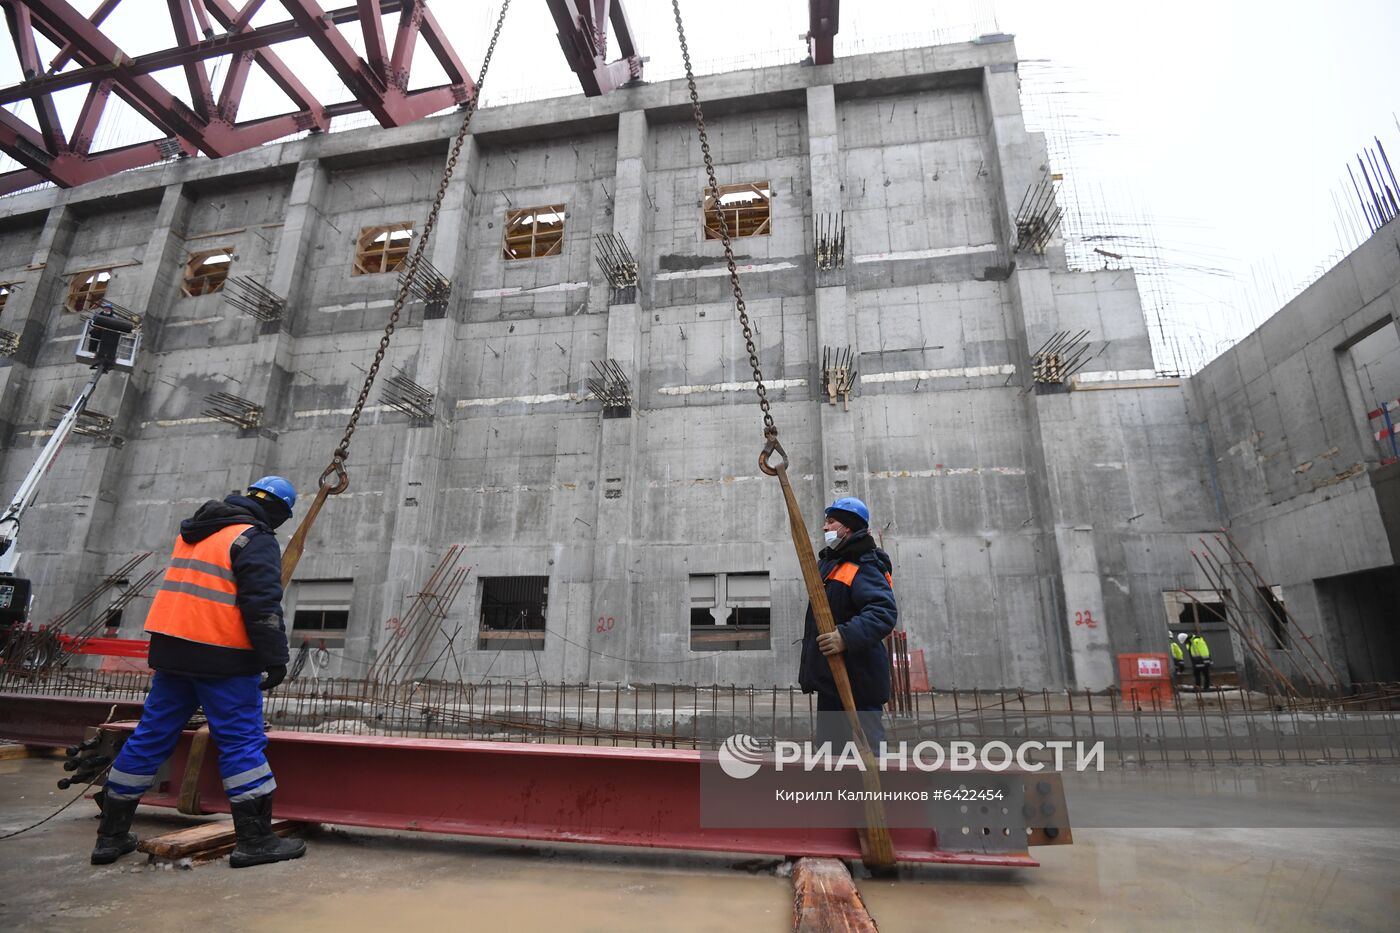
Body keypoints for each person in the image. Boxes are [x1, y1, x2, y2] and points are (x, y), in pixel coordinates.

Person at [91, 476, 307, 869]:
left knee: (151, 736)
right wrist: (275, 657)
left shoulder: (195, 532)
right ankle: (255, 841)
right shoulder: (253, 538)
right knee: (242, 742)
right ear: (277, 510)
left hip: (174, 653)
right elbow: (261, 605)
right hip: (222, 657)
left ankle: (110, 837)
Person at [798, 496, 898, 751]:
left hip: (858, 685)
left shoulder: (864, 566)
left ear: (848, 528)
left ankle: (872, 792)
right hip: (832, 683)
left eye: (831, 522)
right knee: (832, 761)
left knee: (867, 758)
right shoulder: (831, 564)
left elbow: (882, 612)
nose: (825, 528)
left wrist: (844, 636)